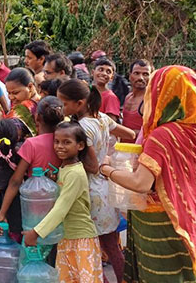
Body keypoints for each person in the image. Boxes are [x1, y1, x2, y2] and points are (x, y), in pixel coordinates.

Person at [100, 66, 196, 282]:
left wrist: (106, 169)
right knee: (181, 274)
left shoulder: (163, 135)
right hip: (188, 215)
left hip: (157, 220)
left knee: (160, 275)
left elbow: (141, 183)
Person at [57, 79, 135, 283]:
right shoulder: (101, 118)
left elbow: (91, 166)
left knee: (94, 247)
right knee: (111, 245)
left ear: (80, 103)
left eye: (65, 104)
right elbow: (130, 133)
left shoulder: (82, 127)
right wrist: (109, 155)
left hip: (91, 191)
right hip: (104, 189)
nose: (62, 108)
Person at [22, 122, 104, 283]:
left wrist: (36, 232)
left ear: (80, 146)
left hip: (81, 240)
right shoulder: (65, 169)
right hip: (66, 238)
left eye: (67, 142)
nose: (60, 146)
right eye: (57, 141)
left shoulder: (75, 173)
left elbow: (61, 208)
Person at [0, 96, 65, 232]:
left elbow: (15, 181)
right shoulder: (66, 141)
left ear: (37, 117)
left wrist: (2, 213)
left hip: (35, 208)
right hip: (61, 205)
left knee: (35, 247)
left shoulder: (32, 144)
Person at [122, 59, 152, 142]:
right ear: (130, 75)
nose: (140, 78)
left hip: (141, 151)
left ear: (151, 77)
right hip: (123, 150)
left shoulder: (149, 101)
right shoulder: (128, 97)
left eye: (145, 74)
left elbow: (153, 131)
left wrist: (124, 132)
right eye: (136, 73)